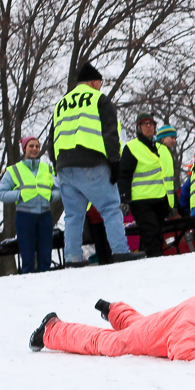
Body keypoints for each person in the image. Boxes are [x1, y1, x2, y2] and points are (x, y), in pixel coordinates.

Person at [29, 272, 195, 362]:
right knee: (109, 344)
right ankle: (52, 329)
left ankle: (114, 310)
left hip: (161, 323)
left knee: (141, 322)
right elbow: (181, 350)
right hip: (155, 336)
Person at [44, 62, 142, 266]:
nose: (100, 86)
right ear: (93, 81)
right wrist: (115, 162)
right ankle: (120, 251)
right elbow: (110, 132)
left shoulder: (61, 104)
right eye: (100, 82)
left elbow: (51, 140)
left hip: (64, 166)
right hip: (92, 163)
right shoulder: (99, 99)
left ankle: (72, 257)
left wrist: (57, 164)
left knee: (73, 215)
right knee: (110, 208)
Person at [0, 136, 59, 274]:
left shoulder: (48, 168)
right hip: (25, 216)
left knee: (45, 257)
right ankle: (28, 287)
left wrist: (51, 196)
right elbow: (1, 193)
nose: (34, 149)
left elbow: (58, 189)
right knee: (27, 258)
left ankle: (47, 285)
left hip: (45, 215)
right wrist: (19, 195)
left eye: (37, 146)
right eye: (31, 146)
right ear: (24, 148)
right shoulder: (14, 170)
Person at [118, 113, 175, 258]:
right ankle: (154, 262)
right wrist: (124, 198)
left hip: (161, 201)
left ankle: (145, 262)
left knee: (153, 236)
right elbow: (124, 175)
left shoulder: (162, 149)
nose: (149, 126)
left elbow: (167, 178)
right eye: (145, 124)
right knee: (152, 234)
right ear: (138, 128)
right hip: (141, 201)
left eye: (151, 124)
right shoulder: (132, 148)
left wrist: (172, 202)